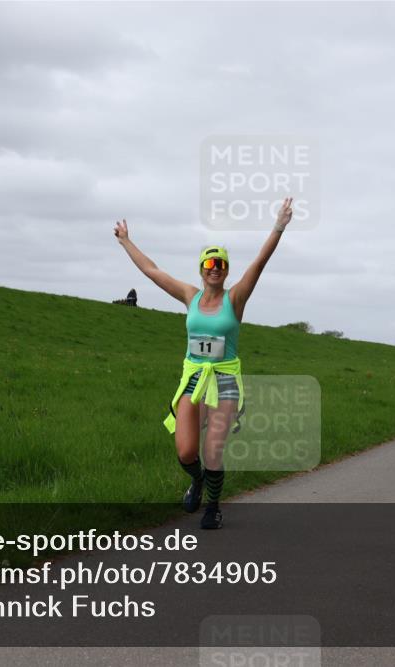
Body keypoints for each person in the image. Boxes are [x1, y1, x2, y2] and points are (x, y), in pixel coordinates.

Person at [114, 198, 294, 529]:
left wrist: (279, 226)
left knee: (213, 449)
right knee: (186, 451)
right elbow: (152, 271)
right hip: (194, 376)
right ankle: (197, 481)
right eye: (209, 265)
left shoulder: (235, 298)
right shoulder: (190, 296)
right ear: (201, 270)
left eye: (220, 265)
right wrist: (126, 241)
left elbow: (260, 261)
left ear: (226, 271)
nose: (215, 270)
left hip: (224, 379)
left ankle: (213, 506)